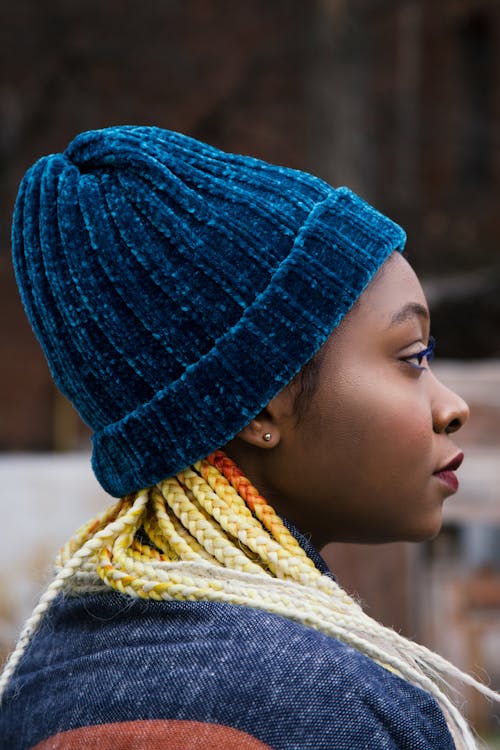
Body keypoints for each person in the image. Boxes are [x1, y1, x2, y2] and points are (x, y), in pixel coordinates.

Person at [0, 126, 498, 750]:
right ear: (261, 405)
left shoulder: (41, 682)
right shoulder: (334, 706)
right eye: (411, 356)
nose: (451, 409)